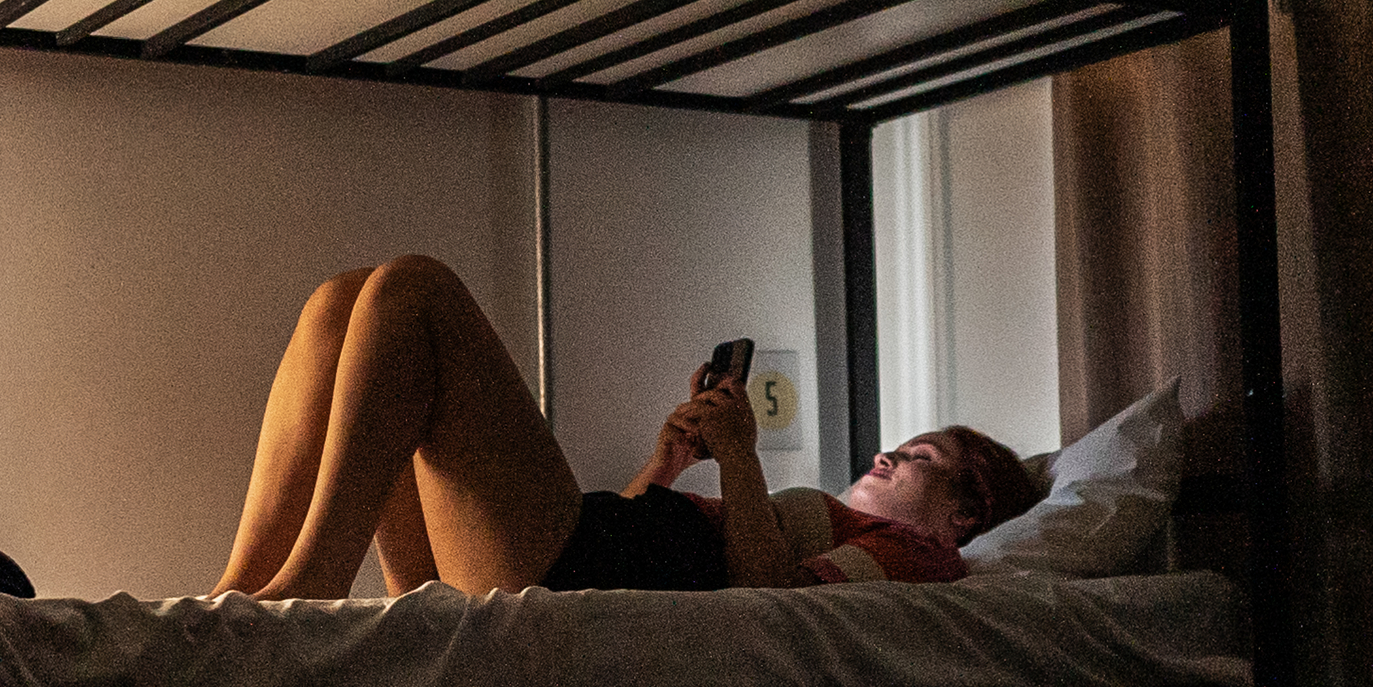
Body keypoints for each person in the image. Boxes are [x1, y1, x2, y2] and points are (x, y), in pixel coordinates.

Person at [212, 253, 1038, 598]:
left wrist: (743, 461)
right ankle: (244, 588)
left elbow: (768, 604)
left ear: (965, 511)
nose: (892, 451)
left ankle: (307, 590)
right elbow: (688, 547)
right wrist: (665, 467)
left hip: (575, 563)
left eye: (923, 456)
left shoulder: (923, 559)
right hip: (591, 545)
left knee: (412, 294)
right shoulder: (847, 524)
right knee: (340, 305)